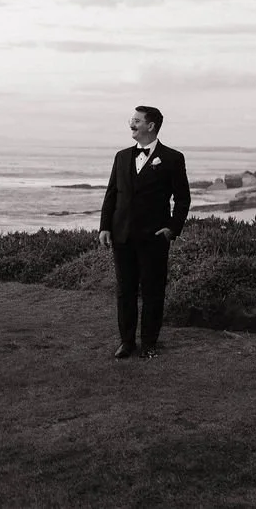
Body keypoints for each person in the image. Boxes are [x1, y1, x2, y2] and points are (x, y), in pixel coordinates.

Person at [99, 106, 191, 360]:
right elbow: (111, 194)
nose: (131, 124)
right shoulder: (121, 156)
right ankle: (126, 342)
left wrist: (172, 229)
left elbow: (182, 199)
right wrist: (105, 226)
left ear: (150, 126)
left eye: (136, 121)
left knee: (152, 292)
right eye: (132, 120)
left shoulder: (173, 158)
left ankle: (149, 343)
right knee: (125, 291)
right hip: (122, 235)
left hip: (154, 237)